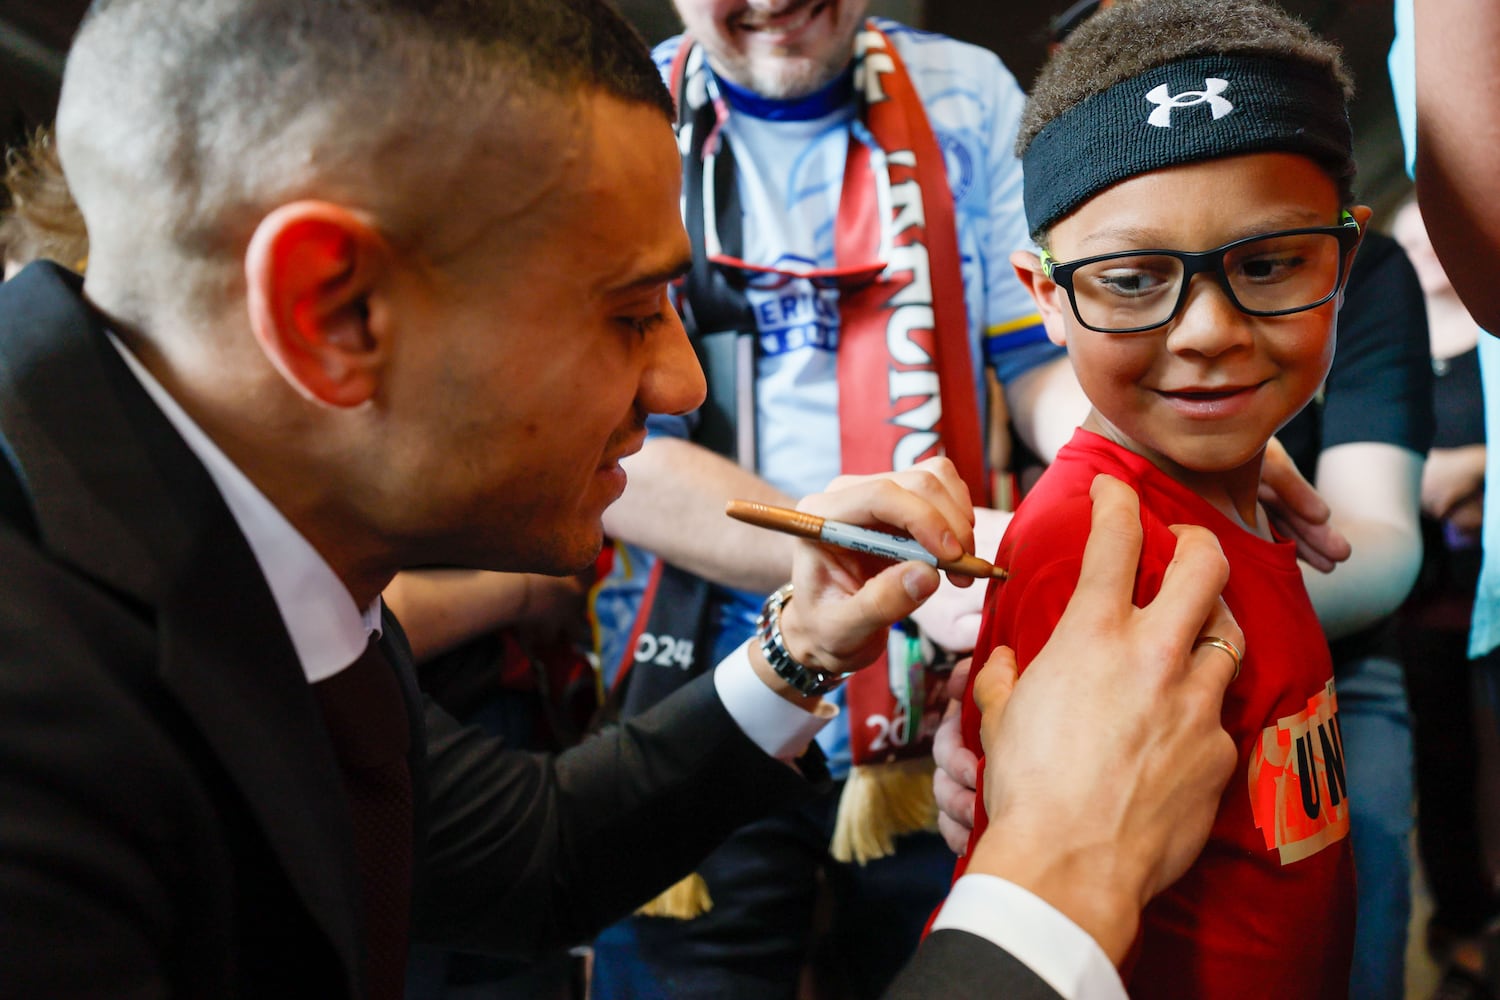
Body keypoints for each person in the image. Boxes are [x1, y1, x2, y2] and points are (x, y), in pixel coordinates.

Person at [0, 1, 1245, 999]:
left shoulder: (221, 537)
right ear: (336, 312)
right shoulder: (40, 721)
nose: (680, 380)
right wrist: (1061, 880)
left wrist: (804, 652)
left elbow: (526, 858)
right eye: (627, 312)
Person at [951, 1, 1365, 996]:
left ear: (1342, 258)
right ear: (1046, 296)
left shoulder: (1233, 490)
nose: (1207, 331)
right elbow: (1011, 926)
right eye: (1133, 280)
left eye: (1268, 265)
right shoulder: (1090, 558)